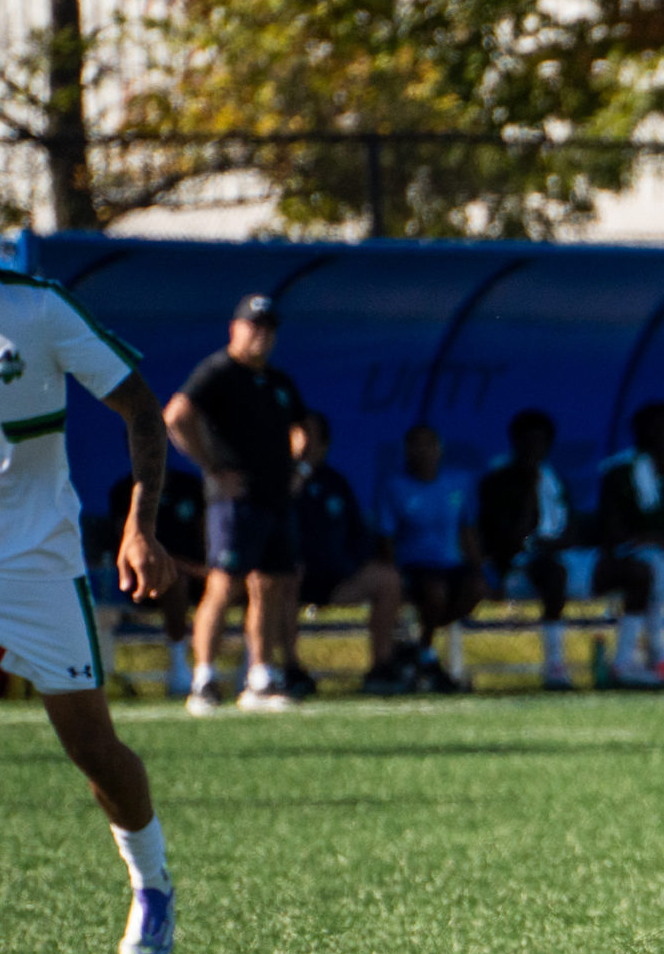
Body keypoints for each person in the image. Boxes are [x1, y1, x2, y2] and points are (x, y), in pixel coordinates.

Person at [0, 156, 180, 954]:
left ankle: (151, 882)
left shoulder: (37, 311)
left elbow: (142, 411)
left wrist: (140, 526)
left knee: (93, 749)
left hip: (33, 562)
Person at [166, 291, 307, 713]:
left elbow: (302, 429)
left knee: (270, 585)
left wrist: (298, 468)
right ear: (235, 328)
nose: (261, 335)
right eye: (253, 326)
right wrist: (211, 468)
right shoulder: (218, 372)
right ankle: (204, 678)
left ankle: (260, 677)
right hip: (235, 500)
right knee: (224, 583)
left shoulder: (278, 382)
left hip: (274, 497)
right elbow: (176, 416)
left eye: (268, 328)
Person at [288, 409, 406, 695]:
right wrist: (299, 473)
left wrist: (354, 563)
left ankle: (381, 667)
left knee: (387, 579)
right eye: (300, 437)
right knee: (278, 577)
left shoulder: (336, 483)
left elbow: (358, 533)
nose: (307, 445)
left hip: (338, 577)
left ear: (326, 444)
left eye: (313, 438)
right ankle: (288, 670)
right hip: (292, 578)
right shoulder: (276, 481)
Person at [594, 401, 664, 688]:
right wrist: (655, 541)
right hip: (633, 556)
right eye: (654, 427)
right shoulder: (619, 472)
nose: (662, 434)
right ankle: (654, 656)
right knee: (648, 566)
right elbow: (613, 531)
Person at [478, 407, 588, 690]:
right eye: (527, 442)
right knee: (553, 574)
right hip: (515, 568)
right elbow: (511, 538)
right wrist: (528, 487)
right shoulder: (497, 481)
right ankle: (555, 665)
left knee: (633, 569)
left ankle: (630, 660)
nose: (533, 449)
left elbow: (571, 526)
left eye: (540, 443)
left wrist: (557, 543)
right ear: (515, 442)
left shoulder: (553, 478)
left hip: (562, 556)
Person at [374, 423, 483, 693]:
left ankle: (418, 647)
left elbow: (467, 529)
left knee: (476, 588)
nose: (422, 451)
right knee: (435, 592)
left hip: (451, 564)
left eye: (428, 444)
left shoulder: (458, 483)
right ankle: (424, 650)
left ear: (440, 449)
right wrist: (393, 575)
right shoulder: (394, 487)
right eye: (415, 445)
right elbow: (385, 537)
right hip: (414, 564)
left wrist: (477, 565)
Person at [106, 461, 205, 696]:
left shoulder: (190, 487)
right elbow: (129, 548)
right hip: (146, 580)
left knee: (251, 579)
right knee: (173, 581)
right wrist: (186, 567)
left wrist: (213, 569)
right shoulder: (124, 491)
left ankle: (255, 669)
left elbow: (208, 537)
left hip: (203, 577)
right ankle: (180, 669)